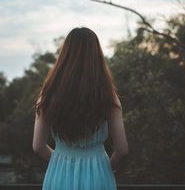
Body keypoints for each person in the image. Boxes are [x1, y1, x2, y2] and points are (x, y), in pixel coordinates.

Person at [32, 27, 128, 190]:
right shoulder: (108, 96)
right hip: (99, 175)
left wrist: (63, 161)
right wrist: (105, 167)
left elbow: (38, 146)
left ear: (64, 56)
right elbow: (122, 150)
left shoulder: (48, 95)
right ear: (96, 55)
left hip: (60, 175)